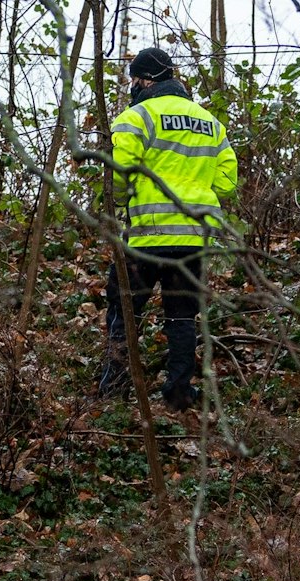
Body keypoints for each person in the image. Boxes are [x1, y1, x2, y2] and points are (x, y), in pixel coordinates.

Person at [97, 47, 238, 410]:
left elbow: (119, 172)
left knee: (124, 308)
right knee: (181, 316)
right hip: (194, 239)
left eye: (134, 80)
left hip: (148, 235)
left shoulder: (136, 116)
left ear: (145, 79)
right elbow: (227, 182)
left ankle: (113, 389)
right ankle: (178, 394)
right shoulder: (210, 122)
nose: (133, 86)